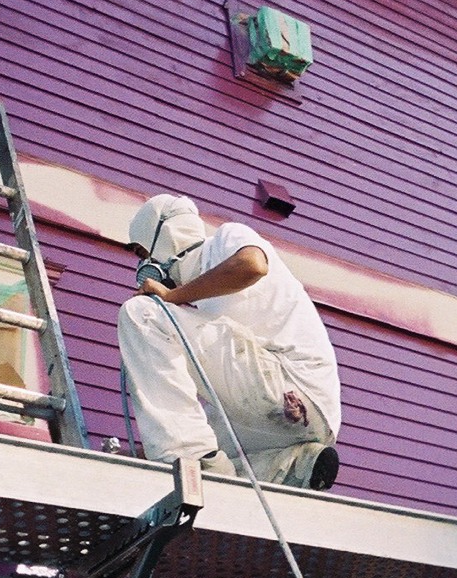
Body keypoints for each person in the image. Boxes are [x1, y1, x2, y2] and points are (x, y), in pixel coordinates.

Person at [117, 194, 341, 490]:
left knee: (142, 313)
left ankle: (190, 460)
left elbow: (252, 265)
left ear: (165, 235)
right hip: (305, 419)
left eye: (141, 252)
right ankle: (294, 464)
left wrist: (170, 297)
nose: (143, 264)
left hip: (289, 380)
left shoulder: (225, 239)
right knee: (214, 445)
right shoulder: (201, 301)